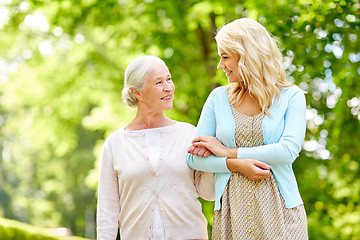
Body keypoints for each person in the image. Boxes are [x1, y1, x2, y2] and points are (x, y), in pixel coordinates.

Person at [187, 18, 308, 239]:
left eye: (225, 57)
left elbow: (288, 151)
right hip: (232, 214)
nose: (220, 65)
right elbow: (193, 159)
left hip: (283, 214)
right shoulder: (218, 98)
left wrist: (227, 152)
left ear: (248, 56)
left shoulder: (292, 96)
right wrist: (236, 165)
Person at [97, 55, 214, 240]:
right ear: (137, 93)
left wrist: (210, 161)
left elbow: (209, 194)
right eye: (158, 82)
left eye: (169, 79)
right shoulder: (115, 143)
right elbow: (107, 209)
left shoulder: (188, 134)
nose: (168, 87)